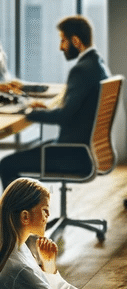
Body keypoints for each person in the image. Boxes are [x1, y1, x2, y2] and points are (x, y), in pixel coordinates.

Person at [0, 16, 108, 188]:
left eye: (63, 41)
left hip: (71, 155)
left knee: (6, 164)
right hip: (82, 151)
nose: (61, 47)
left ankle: (16, 213)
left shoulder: (81, 70)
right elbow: (73, 110)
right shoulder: (96, 64)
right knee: (28, 151)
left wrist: (28, 113)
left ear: (75, 41)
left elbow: (63, 116)